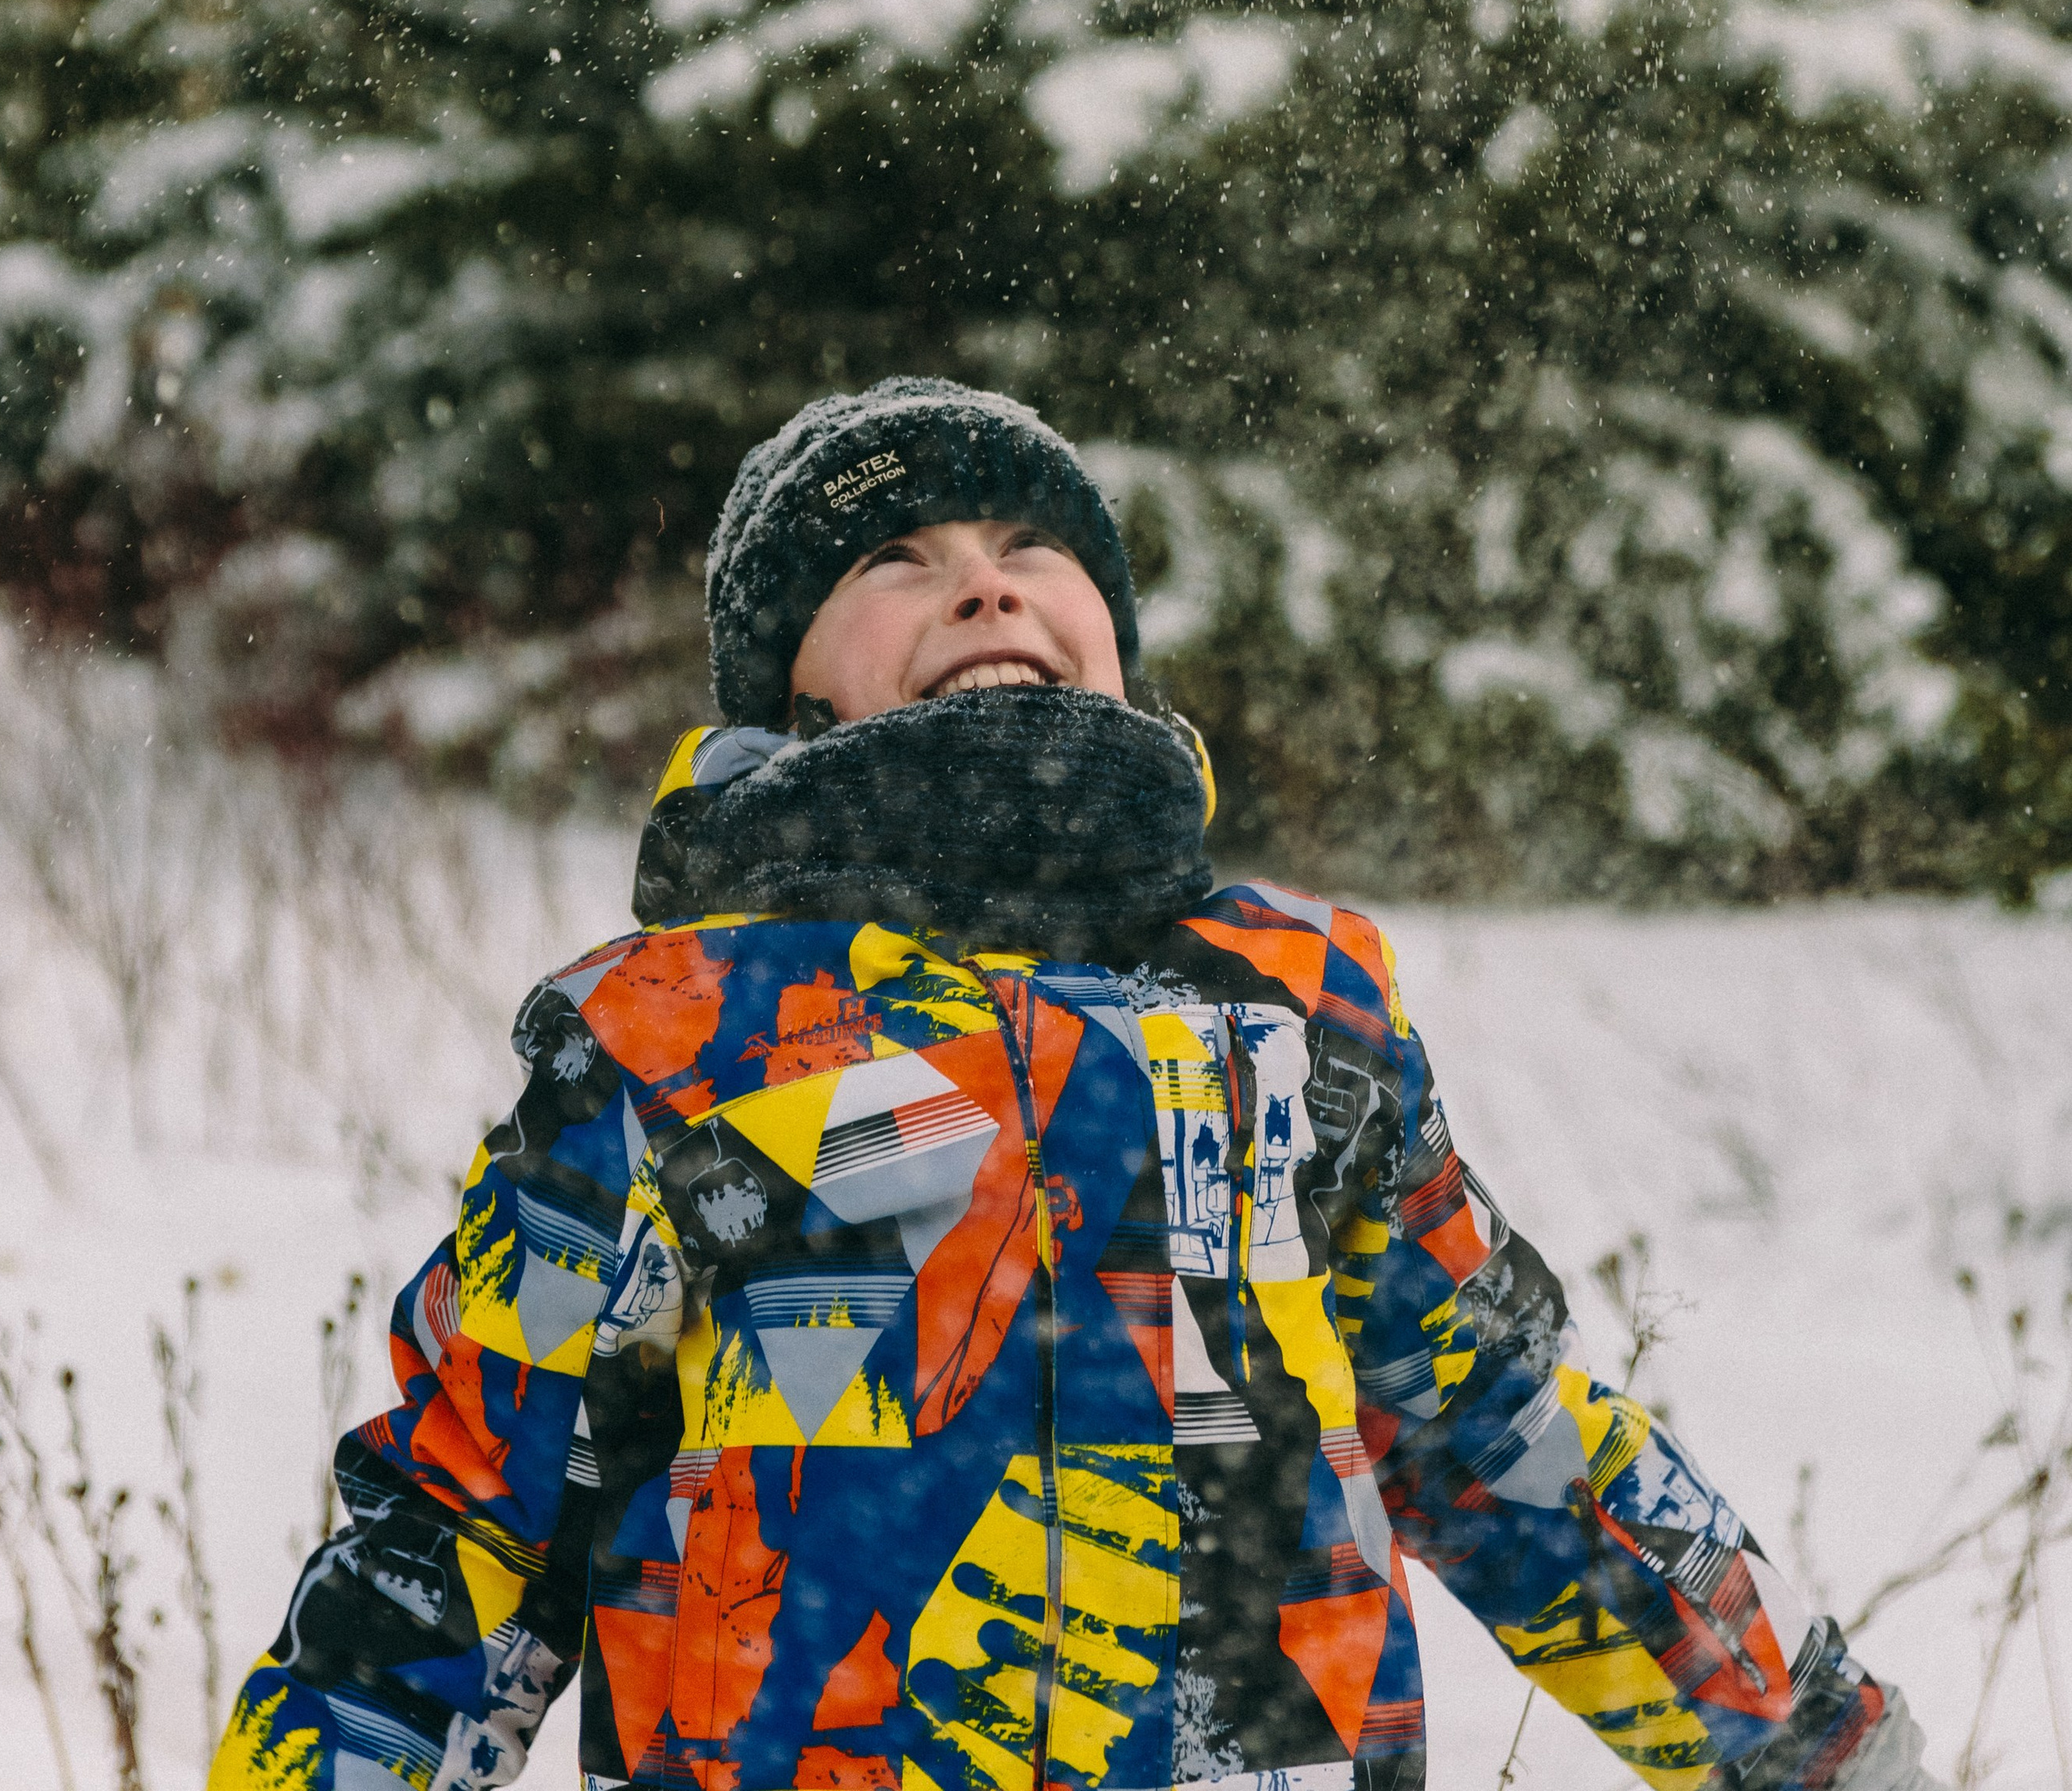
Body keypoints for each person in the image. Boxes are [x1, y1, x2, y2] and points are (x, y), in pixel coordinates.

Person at [212, 375, 1942, 1791]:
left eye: (1034, 546)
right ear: (788, 686)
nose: (985, 581)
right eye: (896, 556)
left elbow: (1501, 1439)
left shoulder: (1294, 1012)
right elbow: (464, 1519)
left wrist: (1812, 1750)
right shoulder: (677, 1033)